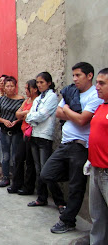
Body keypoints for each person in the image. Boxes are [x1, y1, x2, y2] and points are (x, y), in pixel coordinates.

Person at [40, 62, 103, 234]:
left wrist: (66, 109)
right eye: (73, 75)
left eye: (78, 75)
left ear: (89, 76)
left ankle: (68, 220)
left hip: (80, 147)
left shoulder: (94, 96)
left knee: (76, 187)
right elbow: (58, 113)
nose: (74, 79)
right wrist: (71, 112)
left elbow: (83, 120)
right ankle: (70, 189)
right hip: (65, 144)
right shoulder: (70, 91)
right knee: (47, 174)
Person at [25, 72, 66, 212]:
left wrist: (31, 117)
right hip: (35, 135)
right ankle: (41, 198)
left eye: (42, 82)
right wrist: (31, 117)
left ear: (49, 83)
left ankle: (60, 201)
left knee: (46, 171)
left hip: (45, 137)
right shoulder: (37, 98)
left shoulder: (52, 97)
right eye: (37, 83)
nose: (39, 85)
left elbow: (42, 115)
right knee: (38, 170)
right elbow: (30, 115)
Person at [86, 68, 108, 245]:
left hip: (107, 171)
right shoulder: (101, 107)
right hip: (95, 168)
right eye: (97, 83)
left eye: (102, 83)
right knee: (97, 216)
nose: (97, 87)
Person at [7, 79, 39, 194]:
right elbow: (17, 114)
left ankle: (28, 187)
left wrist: (24, 114)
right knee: (18, 158)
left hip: (32, 134)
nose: (25, 91)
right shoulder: (26, 101)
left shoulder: (37, 101)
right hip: (23, 133)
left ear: (34, 89)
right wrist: (25, 114)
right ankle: (16, 184)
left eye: (27, 88)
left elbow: (29, 115)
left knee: (30, 162)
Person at [0, 76, 24, 187]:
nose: (10, 88)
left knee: (15, 156)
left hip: (17, 131)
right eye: (7, 86)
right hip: (4, 131)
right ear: (4, 87)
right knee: (5, 156)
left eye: (12, 86)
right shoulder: (0, 100)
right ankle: (5, 177)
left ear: (15, 87)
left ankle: (16, 179)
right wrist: (4, 121)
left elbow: (24, 114)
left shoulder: (21, 100)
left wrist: (16, 121)